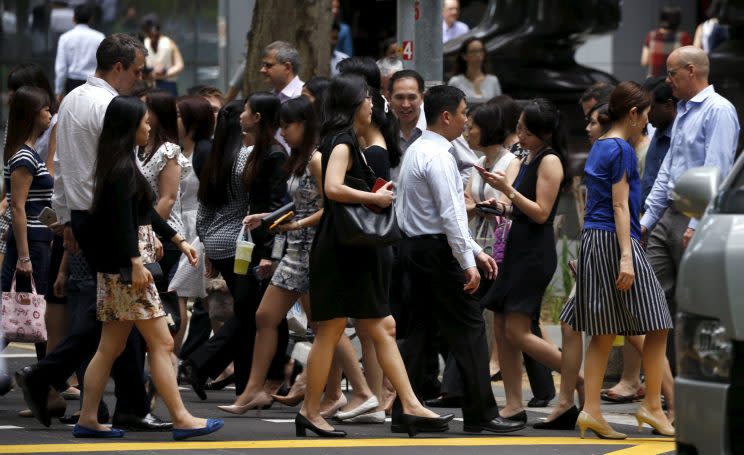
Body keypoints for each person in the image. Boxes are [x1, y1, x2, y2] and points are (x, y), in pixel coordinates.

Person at [16, 33, 171, 432]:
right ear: (118, 67)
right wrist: (138, 228)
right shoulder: (114, 107)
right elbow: (123, 175)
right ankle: (61, 381)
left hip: (88, 217)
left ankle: (123, 403)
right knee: (117, 312)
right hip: (110, 218)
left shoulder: (71, 101)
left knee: (117, 313)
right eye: (137, 70)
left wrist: (69, 220)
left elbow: (64, 167)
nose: (141, 78)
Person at [298, 74, 449, 438]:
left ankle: (410, 404)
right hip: (341, 253)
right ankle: (309, 410)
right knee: (332, 330)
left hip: (350, 251)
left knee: (381, 326)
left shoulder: (345, 142)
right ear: (354, 105)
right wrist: (375, 198)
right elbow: (333, 189)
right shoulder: (343, 142)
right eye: (368, 100)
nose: (373, 105)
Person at [75, 95, 222, 440]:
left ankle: (88, 418)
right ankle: (183, 419)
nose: (149, 127)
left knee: (110, 348)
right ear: (129, 127)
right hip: (130, 271)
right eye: (143, 122)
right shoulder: (122, 169)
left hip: (121, 269)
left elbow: (145, 213)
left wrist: (177, 240)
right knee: (162, 344)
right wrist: (136, 262)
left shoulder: (121, 164)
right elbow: (122, 223)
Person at [394, 84, 522, 436]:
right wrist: (468, 260)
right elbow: (451, 216)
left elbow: (424, 213)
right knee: (469, 328)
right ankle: (480, 413)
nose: (467, 121)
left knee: (420, 330)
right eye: (464, 113)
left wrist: (476, 252)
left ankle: (406, 409)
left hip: (415, 249)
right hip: (437, 251)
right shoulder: (438, 157)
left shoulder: (417, 150)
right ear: (447, 116)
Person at [562, 81, 674, 439]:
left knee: (604, 331)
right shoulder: (623, 149)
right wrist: (627, 256)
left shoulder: (600, 146)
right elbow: (619, 205)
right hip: (615, 239)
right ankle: (653, 407)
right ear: (632, 113)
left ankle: (592, 411)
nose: (647, 122)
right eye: (645, 115)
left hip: (596, 239)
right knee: (658, 321)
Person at [642, 46, 739, 369]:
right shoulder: (683, 110)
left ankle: (687, 387)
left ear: (691, 71)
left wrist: (698, 224)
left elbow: (718, 170)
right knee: (652, 301)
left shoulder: (719, 110)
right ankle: (663, 392)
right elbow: (667, 170)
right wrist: (645, 221)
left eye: (672, 74)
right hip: (669, 213)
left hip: (696, 218)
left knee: (693, 307)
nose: (668, 81)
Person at [189, 93, 289, 398]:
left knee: (251, 313)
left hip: (219, 243)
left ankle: (247, 382)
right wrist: (271, 250)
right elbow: (262, 205)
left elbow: (204, 209)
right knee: (254, 315)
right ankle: (207, 363)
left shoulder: (213, 157)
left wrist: (206, 243)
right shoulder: (246, 157)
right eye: (243, 112)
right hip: (241, 242)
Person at [476, 98, 568, 424]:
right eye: (518, 128)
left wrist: (508, 192)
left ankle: (579, 379)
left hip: (533, 253)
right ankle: (513, 405)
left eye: (526, 131)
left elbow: (541, 213)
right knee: (502, 328)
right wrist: (499, 205)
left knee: (517, 331)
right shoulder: (528, 157)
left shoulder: (550, 160)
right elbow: (521, 209)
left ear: (544, 133)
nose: (520, 135)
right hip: (516, 248)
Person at [138, 90, 190, 358]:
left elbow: (168, 199)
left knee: (165, 298)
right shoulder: (137, 147)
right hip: (142, 233)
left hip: (165, 235)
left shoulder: (168, 150)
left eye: (146, 108)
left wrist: (152, 232)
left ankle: (168, 357)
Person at [1, 86, 54, 342]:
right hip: (31, 242)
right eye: (45, 109)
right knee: (28, 306)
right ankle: (48, 377)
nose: (50, 113)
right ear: (33, 114)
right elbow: (18, 207)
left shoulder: (29, 153)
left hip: (36, 238)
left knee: (24, 308)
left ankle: (47, 375)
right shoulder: (24, 156)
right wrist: (24, 257)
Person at [169, 95, 214, 354]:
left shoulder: (205, 151)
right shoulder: (176, 149)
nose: (173, 119)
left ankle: (170, 363)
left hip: (200, 230)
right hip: (180, 227)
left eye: (178, 115)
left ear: (193, 121)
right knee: (192, 297)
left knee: (184, 293)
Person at [54, 4, 105, 104]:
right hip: (94, 82)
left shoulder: (65, 38)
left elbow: (61, 68)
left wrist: (58, 90)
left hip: (73, 83)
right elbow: (103, 63)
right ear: (90, 19)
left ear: (73, 18)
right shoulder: (100, 37)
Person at [641, 6, 692, 78]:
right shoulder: (683, 37)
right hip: (673, 82)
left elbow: (644, 61)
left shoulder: (652, 36)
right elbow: (689, 63)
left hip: (653, 82)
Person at [448, 38, 502, 104]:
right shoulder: (455, 82)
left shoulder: (493, 80)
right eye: (473, 51)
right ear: (464, 56)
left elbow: (499, 107)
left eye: (481, 51)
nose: (478, 55)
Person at [142, 14, 184, 96]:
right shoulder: (144, 43)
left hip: (167, 84)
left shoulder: (169, 42)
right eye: (148, 30)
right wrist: (146, 73)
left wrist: (165, 73)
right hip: (149, 84)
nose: (152, 33)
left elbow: (179, 65)